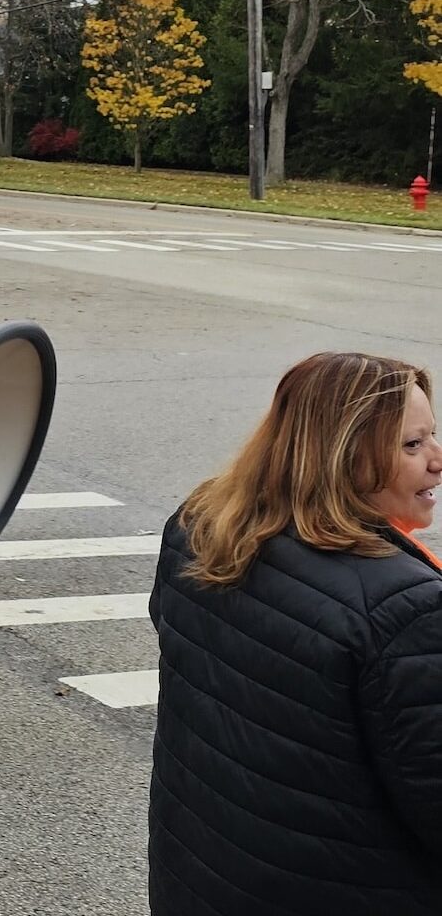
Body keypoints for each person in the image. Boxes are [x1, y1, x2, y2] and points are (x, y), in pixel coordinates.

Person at [150, 351, 442, 915]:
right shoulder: (404, 608)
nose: (437, 460)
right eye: (412, 445)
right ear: (344, 457)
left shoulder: (203, 527)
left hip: (205, 873)